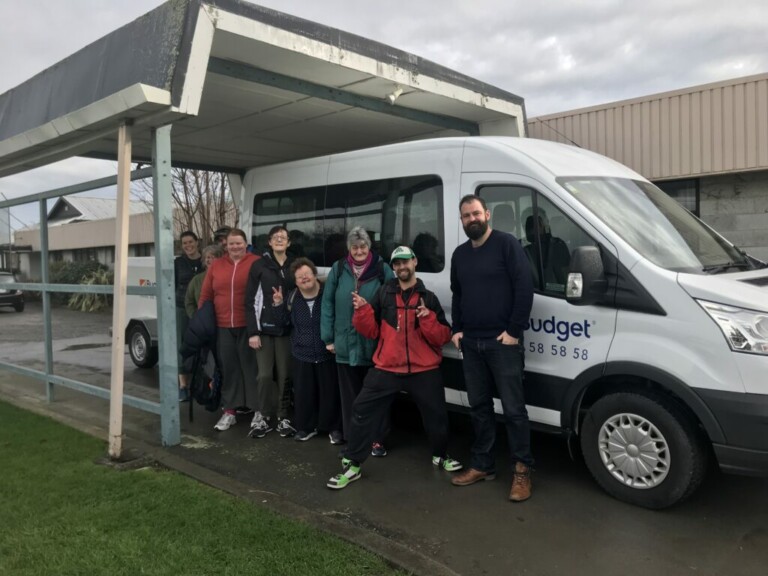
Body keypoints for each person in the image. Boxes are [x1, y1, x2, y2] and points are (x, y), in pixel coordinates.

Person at [326, 246, 462, 489]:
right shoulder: (383, 294)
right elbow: (370, 331)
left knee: (437, 416)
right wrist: (363, 311)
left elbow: (442, 337)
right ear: (393, 267)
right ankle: (354, 464)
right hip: (387, 367)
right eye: (397, 264)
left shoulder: (428, 297)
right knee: (361, 409)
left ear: (415, 261)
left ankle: (440, 455)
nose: (401, 267)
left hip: (423, 369)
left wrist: (427, 318)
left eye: (405, 262)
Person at [449, 194, 535, 502]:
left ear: (487, 214)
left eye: (475, 213)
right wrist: (456, 329)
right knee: (480, 408)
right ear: (461, 221)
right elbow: (457, 295)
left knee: (514, 411)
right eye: (466, 216)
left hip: (503, 344)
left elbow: (525, 286)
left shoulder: (507, 244)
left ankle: (522, 472)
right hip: (471, 343)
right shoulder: (459, 255)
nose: (472, 219)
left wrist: (514, 330)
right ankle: (483, 465)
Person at [321, 226, 394, 455]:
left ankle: (377, 440)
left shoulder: (383, 269)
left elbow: (392, 305)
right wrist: (328, 338)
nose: (359, 250)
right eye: (355, 246)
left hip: (374, 345)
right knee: (349, 396)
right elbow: (327, 304)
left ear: (369, 247)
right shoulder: (339, 268)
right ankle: (354, 438)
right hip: (344, 344)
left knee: (376, 396)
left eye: (363, 246)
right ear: (349, 249)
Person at [274, 258, 342, 442]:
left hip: (327, 353)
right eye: (299, 277)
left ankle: (334, 428)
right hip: (302, 354)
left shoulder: (328, 294)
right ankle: (306, 427)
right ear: (295, 282)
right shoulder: (292, 298)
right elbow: (284, 324)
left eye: (307, 274)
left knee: (330, 394)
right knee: (304, 394)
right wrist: (279, 305)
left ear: (314, 274)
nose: (304, 279)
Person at [198, 228, 260, 431]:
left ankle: (257, 409)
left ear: (245, 243)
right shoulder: (216, 265)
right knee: (229, 369)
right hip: (222, 326)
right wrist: (202, 319)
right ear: (226, 245)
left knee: (251, 368)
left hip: (248, 325)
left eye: (239, 243)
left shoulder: (255, 262)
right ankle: (230, 411)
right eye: (231, 243)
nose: (235, 247)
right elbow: (206, 295)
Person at [245, 225, 296, 438]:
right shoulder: (259, 266)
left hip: (286, 330)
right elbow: (249, 301)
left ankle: (283, 417)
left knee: (285, 375)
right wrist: (253, 332)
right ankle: (264, 417)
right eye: (275, 237)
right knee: (265, 375)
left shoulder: (295, 265)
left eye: (283, 237)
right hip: (264, 331)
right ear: (269, 242)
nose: (279, 240)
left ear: (289, 242)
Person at [174, 231, 202, 402]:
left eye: (190, 242)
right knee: (182, 345)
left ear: (197, 242)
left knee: (203, 346)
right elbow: (173, 285)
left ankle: (201, 384)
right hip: (182, 308)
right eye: (184, 243)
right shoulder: (179, 263)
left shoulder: (205, 260)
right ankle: (183, 385)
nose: (188, 246)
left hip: (202, 309)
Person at [185, 244, 224, 318]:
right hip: (203, 321)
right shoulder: (197, 279)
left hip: (222, 321)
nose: (210, 260)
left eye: (214, 257)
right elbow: (189, 301)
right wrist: (195, 316)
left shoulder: (226, 277)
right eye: (208, 257)